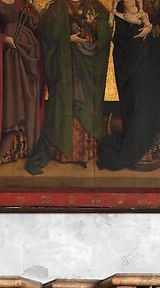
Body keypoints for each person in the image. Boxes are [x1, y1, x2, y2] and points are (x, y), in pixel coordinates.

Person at [97, 0, 160, 171]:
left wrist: (155, 33)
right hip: (135, 71)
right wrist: (136, 34)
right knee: (137, 105)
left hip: (158, 70)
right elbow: (121, 37)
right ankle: (137, 148)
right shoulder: (128, 4)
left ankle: (153, 151)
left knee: (154, 107)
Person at [27, 0, 113, 174]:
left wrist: (92, 23)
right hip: (64, 68)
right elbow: (47, 34)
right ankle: (64, 151)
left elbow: (105, 25)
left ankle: (84, 153)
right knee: (65, 103)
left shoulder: (93, 5)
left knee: (86, 104)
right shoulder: (57, 7)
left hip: (87, 69)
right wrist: (68, 38)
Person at [0, 0, 45, 172]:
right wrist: (4, 39)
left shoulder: (21, 3)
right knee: (9, 102)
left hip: (25, 56)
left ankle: (23, 146)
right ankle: (6, 146)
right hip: (6, 61)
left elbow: (34, 25)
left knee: (27, 98)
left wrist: (34, 13)